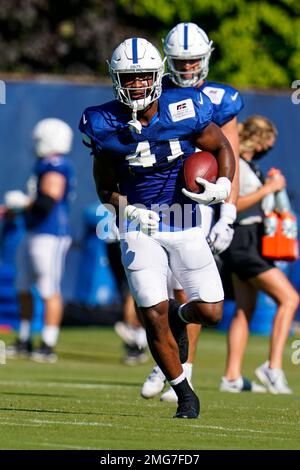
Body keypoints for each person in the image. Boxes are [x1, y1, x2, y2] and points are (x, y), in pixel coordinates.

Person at [79, 37, 235, 419]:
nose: (135, 85)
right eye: (128, 78)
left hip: (184, 220)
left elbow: (222, 148)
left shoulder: (185, 106)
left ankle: (182, 318)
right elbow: (104, 189)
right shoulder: (101, 122)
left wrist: (225, 184)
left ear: (157, 74)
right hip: (140, 225)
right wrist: (128, 210)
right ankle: (184, 394)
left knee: (212, 312)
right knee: (152, 311)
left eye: (143, 76)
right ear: (115, 78)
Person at [141, 22, 243, 402]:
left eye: (193, 62)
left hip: (201, 200)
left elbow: (227, 155)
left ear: (206, 57)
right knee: (160, 288)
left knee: (188, 288)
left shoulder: (221, 98)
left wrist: (227, 214)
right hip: (156, 198)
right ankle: (168, 360)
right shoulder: (155, 91)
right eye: (180, 62)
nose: (186, 69)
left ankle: (183, 368)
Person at [220, 115, 299, 393]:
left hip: (251, 239)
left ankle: (231, 376)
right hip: (243, 240)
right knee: (289, 298)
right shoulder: (236, 164)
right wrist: (269, 188)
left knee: (244, 309)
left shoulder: (252, 166)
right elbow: (233, 204)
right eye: (269, 142)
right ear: (259, 139)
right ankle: (273, 367)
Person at [6, 118, 75, 363]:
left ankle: (47, 343)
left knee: (49, 289)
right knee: (23, 287)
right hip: (34, 231)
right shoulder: (44, 163)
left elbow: (49, 198)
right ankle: (24, 339)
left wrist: (23, 203)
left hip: (51, 234)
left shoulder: (55, 164)